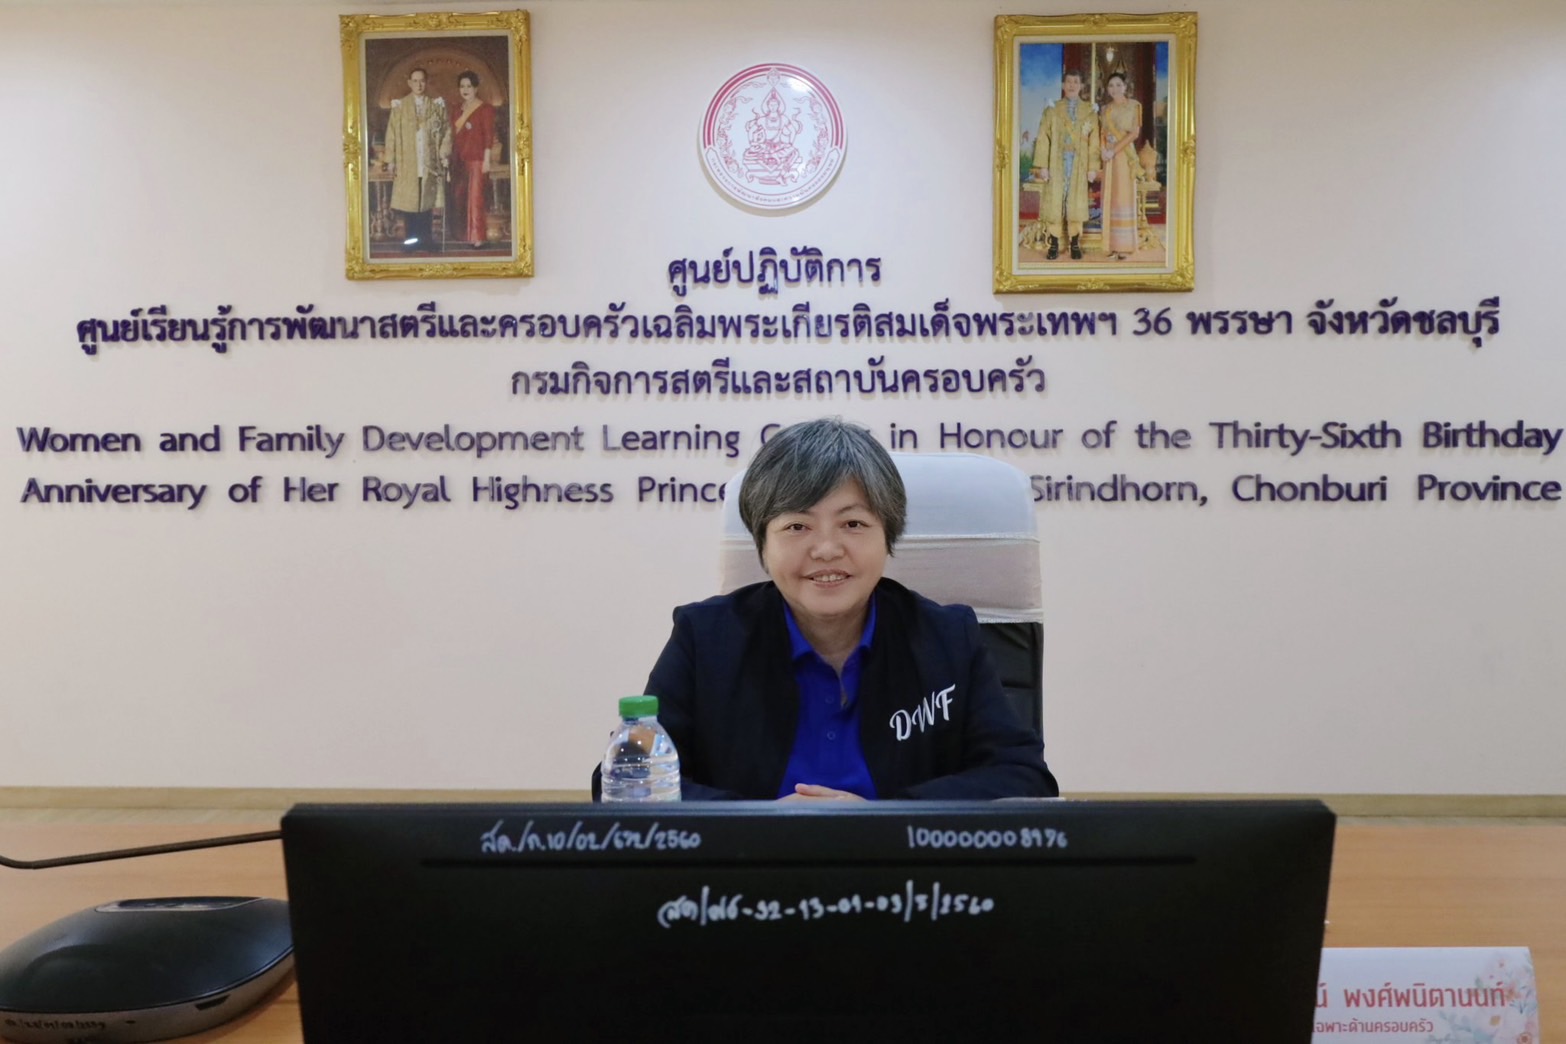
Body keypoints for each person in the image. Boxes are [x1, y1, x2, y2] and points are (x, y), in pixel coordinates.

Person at [604, 418, 1060, 801]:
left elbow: (1023, 776)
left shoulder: (947, 637)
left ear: (888, 537)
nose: (826, 549)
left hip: (903, 872)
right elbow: (631, 778)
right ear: (763, 544)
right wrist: (762, 824)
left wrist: (879, 820)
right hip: (749, 871)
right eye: (797, 526)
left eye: (853, 523)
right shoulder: (704, 637)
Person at [1029, 69, 1099, 260]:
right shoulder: (1052, 110)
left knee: (1076, 202)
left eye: (1076, 82)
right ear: (1063, 85)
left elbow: (1094, 142)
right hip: (1056, 162)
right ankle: (1054, 243)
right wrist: (1043, 165)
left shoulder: (1090, 112)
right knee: (1055, 201)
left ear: (1081, 86)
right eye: (1069, 81)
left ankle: (1075, 243)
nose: (1072, 85)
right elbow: (1043, 138)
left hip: (1079, 164)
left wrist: (1092, 167)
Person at [382, 68, 450, 252]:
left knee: (426, 202)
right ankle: (411, 242)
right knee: (411, 203)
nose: (418, 84)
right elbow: (391, 134)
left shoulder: (436, 105)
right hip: (407, 161)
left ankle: (426, 240)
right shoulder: (400, 107)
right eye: (415, 81)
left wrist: (444, 153)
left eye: (422, 81)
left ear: (426, 82)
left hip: (429, 162)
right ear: (409, 83)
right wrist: (391, 160)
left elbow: (446, 131)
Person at [449, 70, 498, 250]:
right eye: (462, 86)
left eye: (469, 86)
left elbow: (488, 135)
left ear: (476, 88)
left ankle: (478, 237)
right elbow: (453, 135)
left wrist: (487, 159)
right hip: (459, 159)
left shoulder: (485, 109)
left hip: (477, 159)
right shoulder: (457, 109)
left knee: (475, 199)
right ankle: (464, 235)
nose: (465, 89)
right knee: (460, 197)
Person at [1099, 72, 1142, 260]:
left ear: (1125, 86)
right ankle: (1111, 245)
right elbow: (1102, 132)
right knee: (1110, 197)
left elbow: (1134, 134)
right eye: (1111, 85)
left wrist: (1114, 150)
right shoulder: (1105, 109)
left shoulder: (1134, 106)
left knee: (1123, 196)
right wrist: (1103, 150)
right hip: (1108, 157)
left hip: (1124, 155)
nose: (1114, 89)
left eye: (1118, 85)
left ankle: (1125, 246)